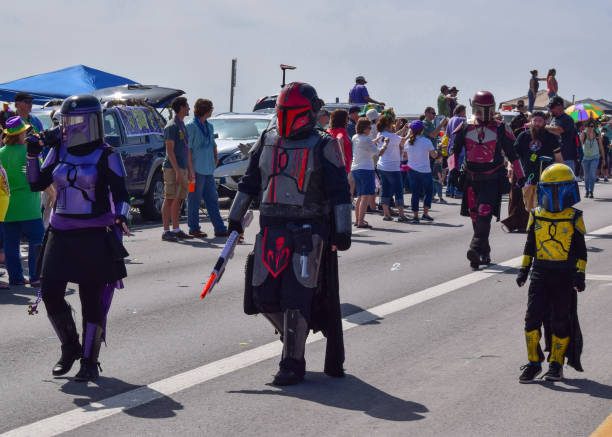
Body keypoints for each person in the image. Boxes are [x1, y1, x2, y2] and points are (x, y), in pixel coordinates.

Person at [227, 82, 351, 385]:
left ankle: (292, 362)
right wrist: (234, 216)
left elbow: (339, 192)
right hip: (271, 226)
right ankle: (296, 337)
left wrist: (342, 230)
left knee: (296, 296)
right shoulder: (268, 139)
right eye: (284, 111)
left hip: (310, 230)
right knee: (262, 296)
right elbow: (249, 182)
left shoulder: (324, 144)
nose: (287, 117)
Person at [26, 95, 131, 381]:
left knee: (91, 299)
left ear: (93, 122)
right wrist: (32, 154)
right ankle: (70, 347)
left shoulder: (108, 154)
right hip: (60, 232)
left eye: (77, 121)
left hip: (94, 234)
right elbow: (36, 182)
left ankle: (89, 360)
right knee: (49, 293)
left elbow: (122, 195)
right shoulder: (58, 150)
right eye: (67, 121)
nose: (70, 127)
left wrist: (122, 216)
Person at [516, 163, 585, 383]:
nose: (555, 195)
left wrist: (579, 275)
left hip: (564, 275)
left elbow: (580, 251)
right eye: (551, 189)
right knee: (531, 319)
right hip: (541, 273)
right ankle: (534, 362)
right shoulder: (536, 214)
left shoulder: (574, 216)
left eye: (560, 189)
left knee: (560, 320)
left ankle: (556, 364)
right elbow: (530, 246)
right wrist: (523, 271)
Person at [449, 91, 525, 270]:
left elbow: (513, 154)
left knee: (484, 213)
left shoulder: (500, 127)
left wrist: (520, 176)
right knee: (475, 216)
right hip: (470, 178)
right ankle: (485, 251)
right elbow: (453, 150)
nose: (486, 112)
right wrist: (452, 169)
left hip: (492, 178)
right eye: (483, 108)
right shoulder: (465, 127)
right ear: (475, 108)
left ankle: (474, 248)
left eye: (489, 108)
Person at [0, 117, 44, 286]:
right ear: (20, 134)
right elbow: (38, 175)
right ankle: (35, 276)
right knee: (37, 239)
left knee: (11, 243)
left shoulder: (1, 153)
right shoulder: (29, 153)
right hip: (28, 205)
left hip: (7, 206)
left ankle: (16, 278)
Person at [185, 98, 228, 238]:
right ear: (206, 110)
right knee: (193, 200)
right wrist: (190, 170)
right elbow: (188, 150)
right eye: (211, 108)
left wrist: (216, 159)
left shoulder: (209, 126)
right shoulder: (191, 127)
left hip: (208, 170)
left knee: (212, 200)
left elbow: (213, 144)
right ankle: (194, 228)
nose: (212, 110)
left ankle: (220, 228)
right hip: (195, 170)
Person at [514, 111, 564, 211]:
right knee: (529, 208)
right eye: (535, 120)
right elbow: (514, 156)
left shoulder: (552, 137)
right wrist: (511, 169)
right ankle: (532, 225)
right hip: (527, 177)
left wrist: (563, 172)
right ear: (531, 121)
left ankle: (540, 226)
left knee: (543, 207)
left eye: (540, 121)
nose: (537, 123)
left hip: (547, 178)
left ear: (545, 122)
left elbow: (558, 158)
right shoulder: (523, 136)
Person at [161, 97, 194, 242]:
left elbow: (186, 149)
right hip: (172, 168)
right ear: (181, 107)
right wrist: (177, 172)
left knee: (179, 198)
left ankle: (176, 229)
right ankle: (166, 231)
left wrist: (190, 170)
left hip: (182, 167)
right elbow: (170, 151)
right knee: (169, 198)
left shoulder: (182, 125)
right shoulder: (171, 126)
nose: (189, 108)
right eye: (187, 106)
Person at [377, 114, 409, 222]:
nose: (393, 125)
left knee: (385, 190)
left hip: (382, 166)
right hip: (392, 167)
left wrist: (403, 129)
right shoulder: (391, 136)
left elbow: (395, 136)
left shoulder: (381, 134)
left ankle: (386, 214)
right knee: (398, 190)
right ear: (388, 124)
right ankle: (401, 215)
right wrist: (410, 133)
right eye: (392, 122)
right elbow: (402, 140)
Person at [406, 120, 437, 223]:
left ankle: (415, 216)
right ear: (422, 130)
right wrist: (437, 152)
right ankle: (425, 213)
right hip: (425, 170)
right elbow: (434, 155)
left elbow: (405, 156)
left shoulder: (408, 142)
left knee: (415, 193)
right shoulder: (426, 141)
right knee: (429, 192)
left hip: (412, 170)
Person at [351, 118, 380, 227]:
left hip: (356, 168)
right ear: (364, 128)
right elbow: (379, 152)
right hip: (366, 169)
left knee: (360, 196)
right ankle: (361, 221)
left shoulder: (355, 137)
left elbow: (363, 145)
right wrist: (385, 144)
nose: (370, 129)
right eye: (369, 127)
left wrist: (374, 141)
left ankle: (358, 220)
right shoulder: (367, 139)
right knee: (366, 196)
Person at [546, 96, 578, 172]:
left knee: (567, 183)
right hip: (553, 158)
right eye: (550, 107)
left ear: (561, 107)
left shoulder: (567, 119)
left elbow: (558, 130)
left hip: (566, 159)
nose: (551, 110)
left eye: (553, 107)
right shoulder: (552, 118)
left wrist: (542, 126)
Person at [445, 105, 467, 199]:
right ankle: (457, 191)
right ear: (461, 111)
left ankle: (449, 190)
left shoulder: (450, 120)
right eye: (465, 111)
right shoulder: (462, 119)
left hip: (451, 148)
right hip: (460, 149)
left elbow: (447, 134)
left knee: (451, 170)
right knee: (459, 171)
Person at [580, 121, 605, 198]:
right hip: (585, 158)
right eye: (590, 126)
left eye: (593, 126)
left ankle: (591, 191)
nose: (591, 128)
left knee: (592, 174)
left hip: (595, 157)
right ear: (587, 127)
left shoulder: (597, 135)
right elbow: (580, 145)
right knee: (586, 176)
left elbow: (601, 147)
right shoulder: (583, 134)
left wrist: (603, 158)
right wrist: (583, 135)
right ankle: (587, 190)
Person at [327, 109, 352, 173]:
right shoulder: (341, 131)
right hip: (343, 168)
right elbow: (339, 140)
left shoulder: (328, 131)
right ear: (342, 119)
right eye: (347, 118)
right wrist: (342, 157)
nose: (348, 120)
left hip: (332, 167)